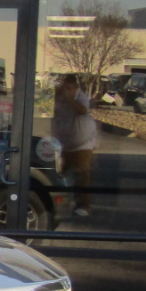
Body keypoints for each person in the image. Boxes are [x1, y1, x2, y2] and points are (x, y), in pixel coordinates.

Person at [51, 73, 97, 217]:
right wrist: (56, 94)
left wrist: (70, 98)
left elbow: (82, 110)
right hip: (63, 144)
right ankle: (61, 203)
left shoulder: (80, 97)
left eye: (70, 87)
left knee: (82, 174)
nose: (67, 90)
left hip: (83, 144)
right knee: (60, 174)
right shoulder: (59, 97)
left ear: (76, 87)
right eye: (65, 87)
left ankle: (83, 205)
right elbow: (44, 107)